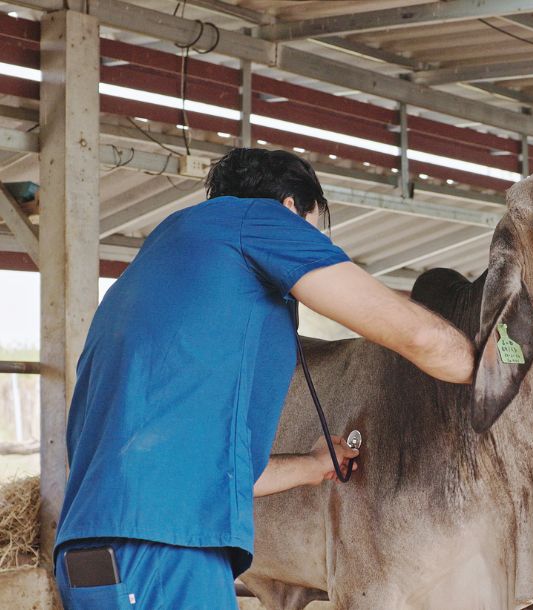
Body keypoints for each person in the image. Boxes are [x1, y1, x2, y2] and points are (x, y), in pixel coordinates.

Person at [53, 148, 476, 608]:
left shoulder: (164, 261)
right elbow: (410, 332)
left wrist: (313, 466)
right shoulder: (258, 220)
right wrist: (490, 368)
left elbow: (214, 475)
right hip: (166, 552)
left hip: (93, 555)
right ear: (293, 209)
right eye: (315, 230)